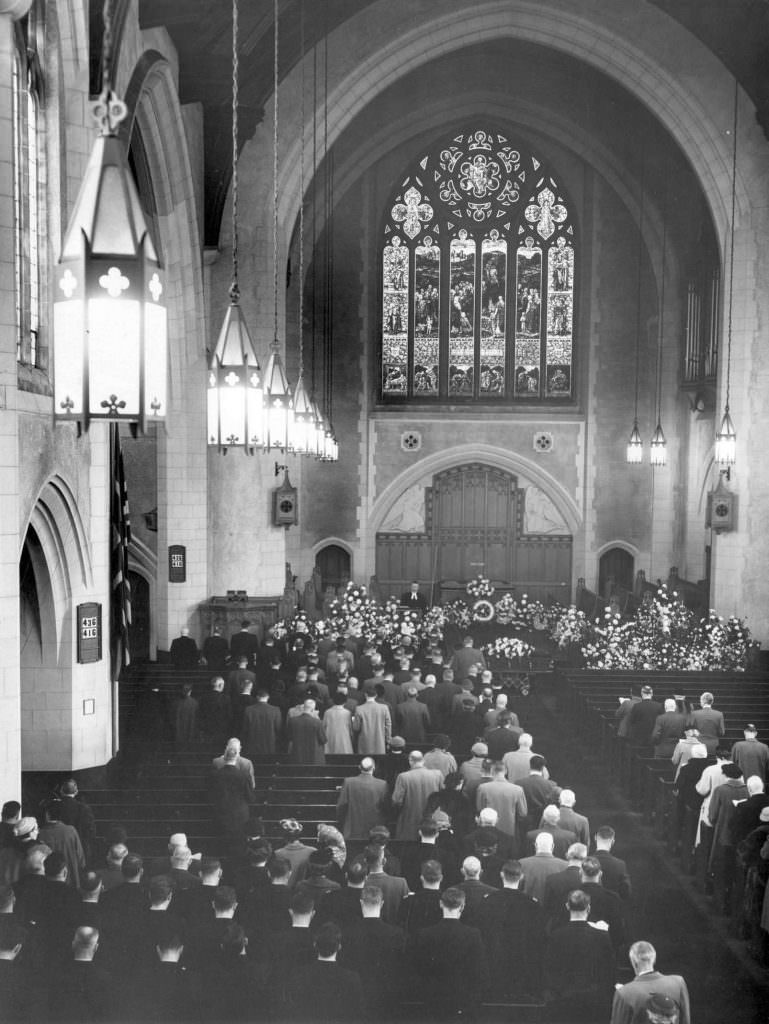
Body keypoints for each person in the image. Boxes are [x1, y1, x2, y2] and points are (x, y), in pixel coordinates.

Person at [410, 886, 488, 1018]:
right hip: (461, 1001)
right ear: (462, 906)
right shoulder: (473, 934)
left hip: (432, 1000)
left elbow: (418, 969)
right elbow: (479, 971)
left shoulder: (424, 934)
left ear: (441, 904)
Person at [542, 890, 615, 1022]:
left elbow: (549, 970)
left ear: (567, 906)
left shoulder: (556, 936)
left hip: (563, 1001)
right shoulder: (601, 937)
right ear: (589, 908)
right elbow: (608, 972)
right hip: (593, 1003)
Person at [288, 921, 365, 1022]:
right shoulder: (352, 978)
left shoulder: (299, 974)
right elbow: (357, 1015)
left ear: (315, 945)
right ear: (339, 947)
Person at [611, 940, 691, 1024]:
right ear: (654, 959)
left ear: (634, 963)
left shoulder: (624, 993)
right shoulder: (678, 983)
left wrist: (624, 993)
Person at [208, 744, 254, 853]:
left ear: (224, 756)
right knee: (238, 844)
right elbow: (250, 797)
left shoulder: (215, 775)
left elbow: (210, 795)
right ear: (237, 757)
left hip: (220, 813)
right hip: (240, 815)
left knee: (221, 844)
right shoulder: (244, 775)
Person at [392, 750, 443, 840]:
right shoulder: (437, 774)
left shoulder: (403, 777)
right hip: (431, 821)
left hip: (409, 820)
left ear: (410, 761)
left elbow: (396, 801)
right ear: (423, 761)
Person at [476, 761, 528, 847]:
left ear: (492, 771)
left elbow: (479, 809)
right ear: (506, 771)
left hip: (488, 832)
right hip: (509, 830)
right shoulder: (518, 789)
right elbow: (523, 813)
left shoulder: (483, 788)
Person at [336, 757, 389, 839]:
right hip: (374, 832)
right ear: (374, 768)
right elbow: (385, 808)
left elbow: (341, 806)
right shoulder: (382, 784)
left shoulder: (348, 782)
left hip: (352, 829)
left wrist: (343, 822)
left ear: (359, 767)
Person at [518, 831, 568, 903]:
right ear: (553, 846)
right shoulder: (565, 866)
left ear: (535, 845)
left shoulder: (521, 864)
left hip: (528, 910)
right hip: (552, 912)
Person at [593, 826, 632, 900]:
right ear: (613, 841)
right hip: (610, 908)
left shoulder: (584, 862)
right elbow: (626, 892)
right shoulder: (620, 865)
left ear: (595, 838)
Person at [242, 688, 283, 755]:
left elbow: (245, 729)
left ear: (257, 697)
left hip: (252, 745)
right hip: (270, 744)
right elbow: (278, 729)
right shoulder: (276, 710)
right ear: (268, 697)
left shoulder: (248, 710)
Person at [353, 688, 392, 755]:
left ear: (365, 695)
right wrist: (388, 740)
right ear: (376, 695)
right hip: (379, 742)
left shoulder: (359, 709)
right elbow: (388, 725)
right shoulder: (384, 708)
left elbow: (356, 728)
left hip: (365, 742)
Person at [287, 698, 327, 764]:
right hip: (314, 757)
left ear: (303, 707)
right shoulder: (318, 722)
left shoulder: (292, 721)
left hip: (297, 756)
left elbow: (289, 737)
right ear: (312, 709)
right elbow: (323, 740)